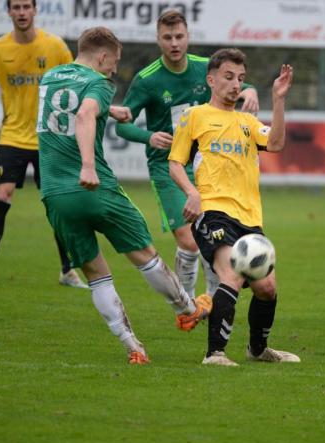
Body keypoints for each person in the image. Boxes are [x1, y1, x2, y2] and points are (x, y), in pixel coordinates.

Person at [37, 26, 212, 364]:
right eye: (113, 63)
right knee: (145, 255)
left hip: (54, 193)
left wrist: (112, 109)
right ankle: (187, 309)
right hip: (94, 188)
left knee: (96, 275)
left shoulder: (52, 76)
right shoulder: (100, 84)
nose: (114, 70)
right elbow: (86, 113)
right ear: (102, 57)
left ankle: (133, 347)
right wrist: (87, 165)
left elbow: (68, 108)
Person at [115, 10, 260, 299]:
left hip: (207, 165)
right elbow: (123, 127)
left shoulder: (204, 68)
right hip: (168, 166)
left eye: (179, 36)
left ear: (188, 37)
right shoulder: (147, 80)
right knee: (189, 239)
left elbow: (238, 83)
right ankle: (185, 300)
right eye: (167, 37)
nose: (174, 43)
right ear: (158, 40)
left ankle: (210, 298)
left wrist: (252, 90)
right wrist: (148, 136)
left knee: (212, 236)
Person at [168, 49, 299, 367]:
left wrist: (278, 99)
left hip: (250, 219)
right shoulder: (194, 116)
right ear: (211, 79)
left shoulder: (247, 122)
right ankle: (215, 353)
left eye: (240, 78)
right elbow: (174, 163)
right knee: (232, 274)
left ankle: (257, 349)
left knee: (267, 288)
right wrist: (191, 192)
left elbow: (278, 144)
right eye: (228, 77)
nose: (235, 84)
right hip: (212, 211)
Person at [0, 0, 85, 288]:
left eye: (27, 6)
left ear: (35, 10)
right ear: (9, 12)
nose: (22, 12)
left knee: (58, 205)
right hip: (12, 137)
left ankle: (67, 270)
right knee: (2, 195)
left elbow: (78, 86)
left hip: (49, 138)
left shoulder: (55, 47)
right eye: (16, 7)